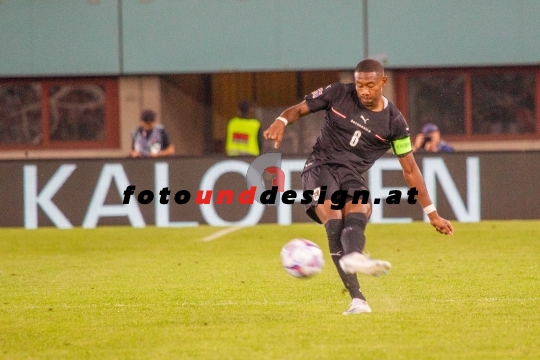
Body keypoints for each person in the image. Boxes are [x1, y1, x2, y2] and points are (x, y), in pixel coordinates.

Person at [263, 59, 453, 315]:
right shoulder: (339, 93)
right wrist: (281, 121)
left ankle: (354, 262)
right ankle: (357, 297)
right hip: (320, 167)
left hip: (351, 175)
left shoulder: (394, 123)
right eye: (360, 84)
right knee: (334, 220)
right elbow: (298, 109)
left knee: (362, 208)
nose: (364, 90)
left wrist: (432, 213)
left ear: (383, 83)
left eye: (370, 85)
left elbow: (410, 170)